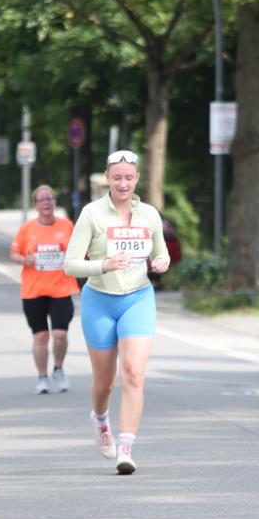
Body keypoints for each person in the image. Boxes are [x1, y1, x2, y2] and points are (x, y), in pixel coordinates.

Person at [64, 150, 170, 475]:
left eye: (128, 177)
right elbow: (69, 264)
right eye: (117, 177)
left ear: (137, 178)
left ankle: (126, 447)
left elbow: (161, 253)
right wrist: (103, 264)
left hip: (138, 297)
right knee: (105, 382)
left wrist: (162, 263)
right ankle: (100, 420)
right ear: (107, 178)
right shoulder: (92, 214)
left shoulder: (149, 214)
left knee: (134, 373)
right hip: (100, 298)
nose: (123, 183)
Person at [10, 185, 79, 394]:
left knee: (59, 335)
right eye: (41, 200)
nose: (46, 203)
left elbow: (80, 251)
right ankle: (42, 376)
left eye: (49, 199)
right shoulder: (27, 229)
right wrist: (25, 259)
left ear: (54, 202)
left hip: (61, 288)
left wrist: (72, 256)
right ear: (36, 205)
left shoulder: (67, 226)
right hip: (34, 291)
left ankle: (58, 368)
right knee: (40, 337)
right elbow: (13, 253)